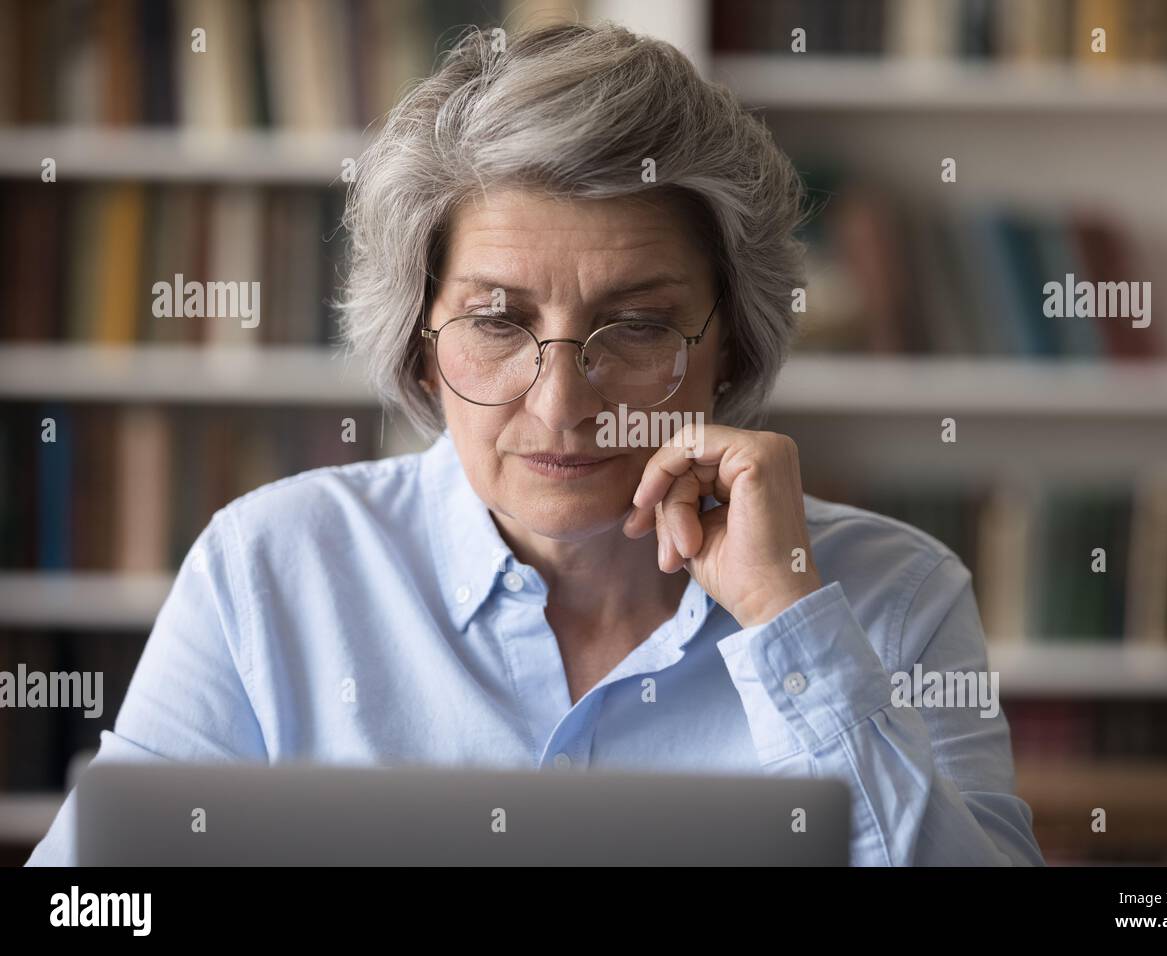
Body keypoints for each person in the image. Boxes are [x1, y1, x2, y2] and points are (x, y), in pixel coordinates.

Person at [28, 20, 1043, 866]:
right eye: (498, 323)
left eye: (638, 326)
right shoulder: (270, 568)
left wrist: (787, 621)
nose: (562, 405)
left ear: (731, 343)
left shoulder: (890, 593)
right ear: (420, 347)